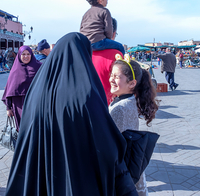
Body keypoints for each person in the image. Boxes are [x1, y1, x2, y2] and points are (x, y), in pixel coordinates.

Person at [5, 32, 138, 196]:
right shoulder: (87, 94)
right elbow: (105, 143)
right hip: (76, 179)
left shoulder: (35, 90)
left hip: (39, 173)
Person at [109, 54, 159, 196]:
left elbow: (112, 143)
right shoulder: (128, 100)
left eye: (117, 77)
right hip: (131, 165)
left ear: (132, 84)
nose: (111, 79)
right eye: (111, 75)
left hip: (122, 170)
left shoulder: (120, 108)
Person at [2, 46, 42, 131]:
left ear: (32, 55)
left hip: (35, 103)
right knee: (22, 129)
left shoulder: (39, 67)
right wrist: (8, 108)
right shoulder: (15, 70)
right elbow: (9, 90)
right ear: (19, 55)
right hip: (19, 105)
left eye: (28, 54)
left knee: (35, 128)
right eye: (23, 54)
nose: (26, 56)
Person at [92, 18, 122, 105]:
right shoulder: (117, 55)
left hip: (88, 108)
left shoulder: (84, 53)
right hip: (110, 106)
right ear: (113, 33)